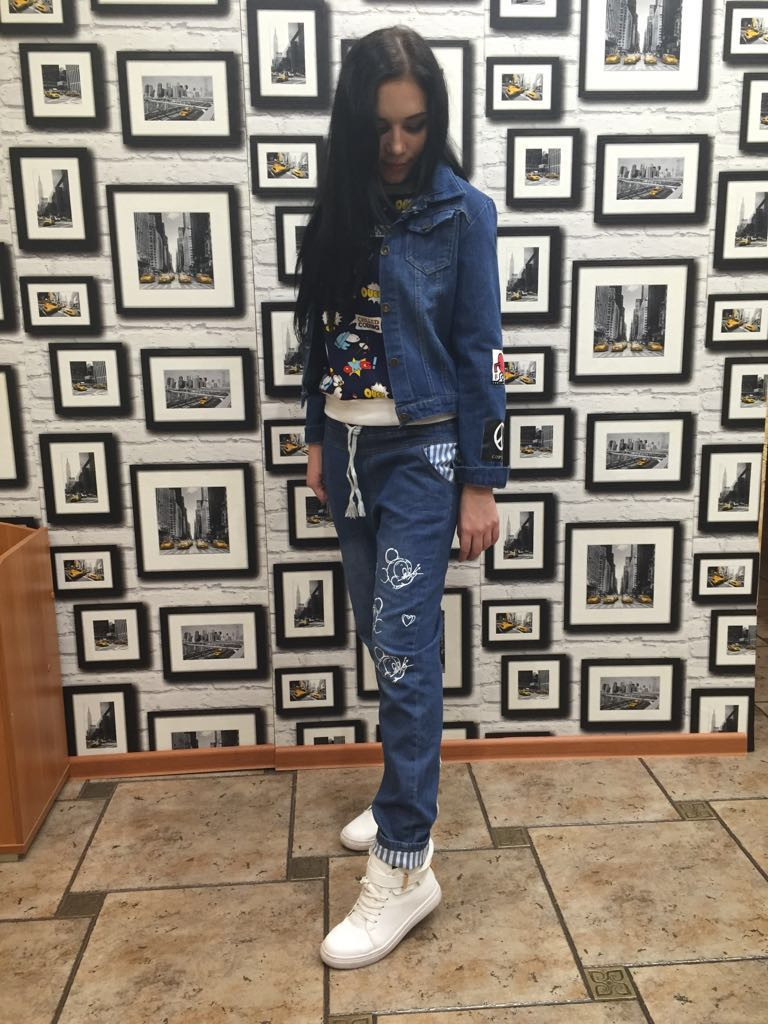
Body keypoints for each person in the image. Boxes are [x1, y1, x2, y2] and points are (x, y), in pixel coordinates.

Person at [295, 25, 508, 970]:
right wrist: (315, 433)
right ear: (354, 123)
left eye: (414, 125)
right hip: (347, 451)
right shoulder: (340, 202)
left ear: (436, 119)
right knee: (385, 644)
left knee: (408, 657)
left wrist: (480, 483)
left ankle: (405, 860)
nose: (396, 145)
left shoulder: (465, 214)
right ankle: (397, 803)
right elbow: (320, 331)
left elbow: (482, 354)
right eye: (380, 126)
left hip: (425, 454)